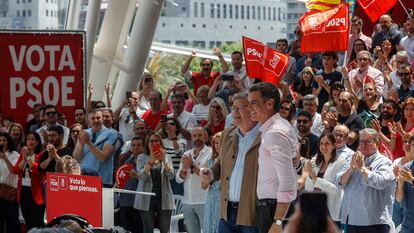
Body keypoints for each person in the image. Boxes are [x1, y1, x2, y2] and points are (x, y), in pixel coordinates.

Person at [202, 92, 261, 232]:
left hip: (251, 214)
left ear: (252, 109)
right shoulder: (227, 134)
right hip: (226, 213)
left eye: (240, 107)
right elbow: (220, 163)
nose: (235, 112)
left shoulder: (265, 136)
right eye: (233, 108)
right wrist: (211, 172)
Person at [247, 82, 298, 233]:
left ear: (269, 104)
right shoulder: (279, 127)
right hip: (273, 209)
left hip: (275, 211)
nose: (249, 108)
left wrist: (277, 221)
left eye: (253, 103)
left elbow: (287, 181)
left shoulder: (275, 132)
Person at [335, 128, 396, 233]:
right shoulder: (353, 159)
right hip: (351, 220)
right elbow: (338, 182)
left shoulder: (385, 162)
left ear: (378, 143)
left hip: (374, 223)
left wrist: (362, 168)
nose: (363, 145)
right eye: (361, 141)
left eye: (368, 141)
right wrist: (351, 169)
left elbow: (381, 182)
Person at [0, 132, 45, 231]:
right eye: (28, 139)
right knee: (27, 220)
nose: (30, 142)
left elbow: (38, 170)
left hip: (35, 192)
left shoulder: (41, 154)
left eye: (33, 139)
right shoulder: (22, 154)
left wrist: (28, 157)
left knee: (37, 222)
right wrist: (24, 159)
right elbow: (16, 170)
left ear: (37, 142)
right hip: (23, 191)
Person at [302, 132, 345, 225]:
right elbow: (308, 188)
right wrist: (310, 174)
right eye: (321, 143)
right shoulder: (314, 161)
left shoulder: (341, 162)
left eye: (327, 143)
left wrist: (316, 180)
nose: (323, 146)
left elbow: (337, 190)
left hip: (331, 211)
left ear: (334, 145)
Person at [176, 127, 212, 233]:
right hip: (187, 201)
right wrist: (184, 169)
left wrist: (191, 165)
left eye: (200, 135)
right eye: (195, 136)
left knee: (208, 231)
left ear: (206, 137)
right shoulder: (186, 154)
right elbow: (179, 179)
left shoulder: (210, 153)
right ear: (191, 137)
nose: (197, 138)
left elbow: (208, 176)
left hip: (204, 200)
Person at [73, 108, 118, 187]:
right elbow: (77, 157)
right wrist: (81, 143)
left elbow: (103, 157)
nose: (96, 120)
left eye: (98, 118)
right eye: (93, 118)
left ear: (102, 119)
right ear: (88, 120)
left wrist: (88, 143)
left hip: (102, 179)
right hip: (84, 178)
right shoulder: (84, 133)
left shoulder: (111, 134)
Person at [117, 136, 144, 233]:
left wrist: (137, 176)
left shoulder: (148, 162)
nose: (136, 147)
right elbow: (120, 179)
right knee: (126, 230)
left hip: (139, 204)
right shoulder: (127, 162)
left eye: (139, 145)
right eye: (133, 145)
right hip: (125, 202)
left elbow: (150, 182)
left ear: (144, 147)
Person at [159, 117, 187, 195]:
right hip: (164, 177)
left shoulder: (182, 141)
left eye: (172, 124)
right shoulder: (162, 141)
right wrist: (160, 127)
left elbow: (178, 153)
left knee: (175, 203)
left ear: (177, 127)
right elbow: (151, 139)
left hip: (176, 177)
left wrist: (173, 137)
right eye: (167, 124)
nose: (169, 126)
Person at [391, 133, 414, 228]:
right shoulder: (406, 168)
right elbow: (399, 199)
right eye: (413, 145)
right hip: (408, 222)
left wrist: (412, 180)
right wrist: (400, 183)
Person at [0, 132, 20, 233]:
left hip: (10, 192)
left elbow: (14, 171)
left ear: (8, 142)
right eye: (0, 141)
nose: (2, 143)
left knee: (12, 221)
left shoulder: (15, 154)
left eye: (4, 140)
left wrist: (5, 158)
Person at [202, 132, 222, 233]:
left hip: (224, 199)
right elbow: (203, 186)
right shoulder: (210, 161)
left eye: (220, 142)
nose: (218, 145)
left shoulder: (231, 161)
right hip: (212, 198)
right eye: (216, 143)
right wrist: (207, 179)